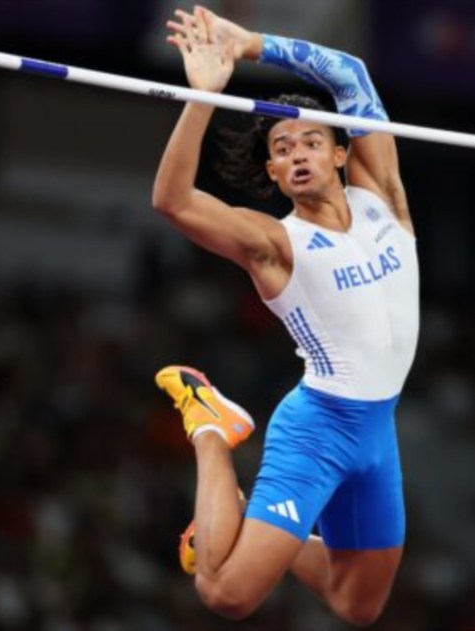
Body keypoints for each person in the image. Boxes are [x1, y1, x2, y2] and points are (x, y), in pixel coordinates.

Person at [152, 5, 419, 627]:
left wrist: (250, 44)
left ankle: (251, 524)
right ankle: (211, 428)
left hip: (378, 428)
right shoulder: (275, 243)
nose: (297, 153)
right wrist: (204, 96)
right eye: (282, 147)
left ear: (340, 152)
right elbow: (172, 201)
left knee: (358, 605)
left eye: (311, 141)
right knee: (225, 593)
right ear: (273, 172)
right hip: (318, 430)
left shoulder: (383, 198)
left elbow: (350, 74)